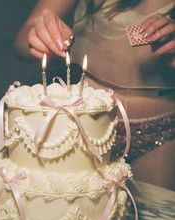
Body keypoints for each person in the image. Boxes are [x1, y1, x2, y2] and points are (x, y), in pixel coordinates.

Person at [14, 0, 175, 190]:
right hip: (85, 125)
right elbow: (21, 42)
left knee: (156, 213)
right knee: (77, 209)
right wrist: (37, 36)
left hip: (160, 134)